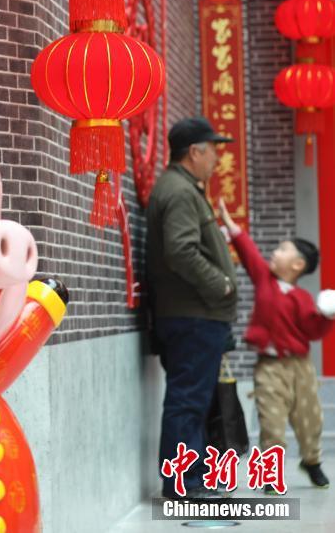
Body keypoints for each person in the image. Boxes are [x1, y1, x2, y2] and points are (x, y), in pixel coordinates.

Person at [146, 117, 238, 499]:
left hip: (194, 316)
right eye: (213, 149)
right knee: (188, 401)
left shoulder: (181, 188)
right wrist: (222, 285)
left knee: (193, 400)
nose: (217, 158)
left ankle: (192, 477)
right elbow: (181, 251)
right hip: (193, 316)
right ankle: (184, 484)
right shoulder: (181, 192)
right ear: (195, 151)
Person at [218, 198, 334, 490]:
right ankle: (270, 473)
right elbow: (250, 254)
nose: (274, 252)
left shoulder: (303, 299)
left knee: (309, 420)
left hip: (300, 368)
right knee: (271, 422)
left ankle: (311, 461)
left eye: (282, 250)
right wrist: (233, 228)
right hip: (268, 368)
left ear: (297, 265)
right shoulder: (264, 280)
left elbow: (313, 330)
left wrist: (327, 315)